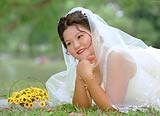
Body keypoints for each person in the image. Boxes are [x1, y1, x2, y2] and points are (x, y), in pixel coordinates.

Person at [46, 7, 160, 111]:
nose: (76, 46)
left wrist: (88, 78)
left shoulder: (116, 56)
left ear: (95, 33)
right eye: (69, 43)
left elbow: (112, 108)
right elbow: (81, 107)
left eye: (80, 36)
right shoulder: (87, 62)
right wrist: (80, 76)